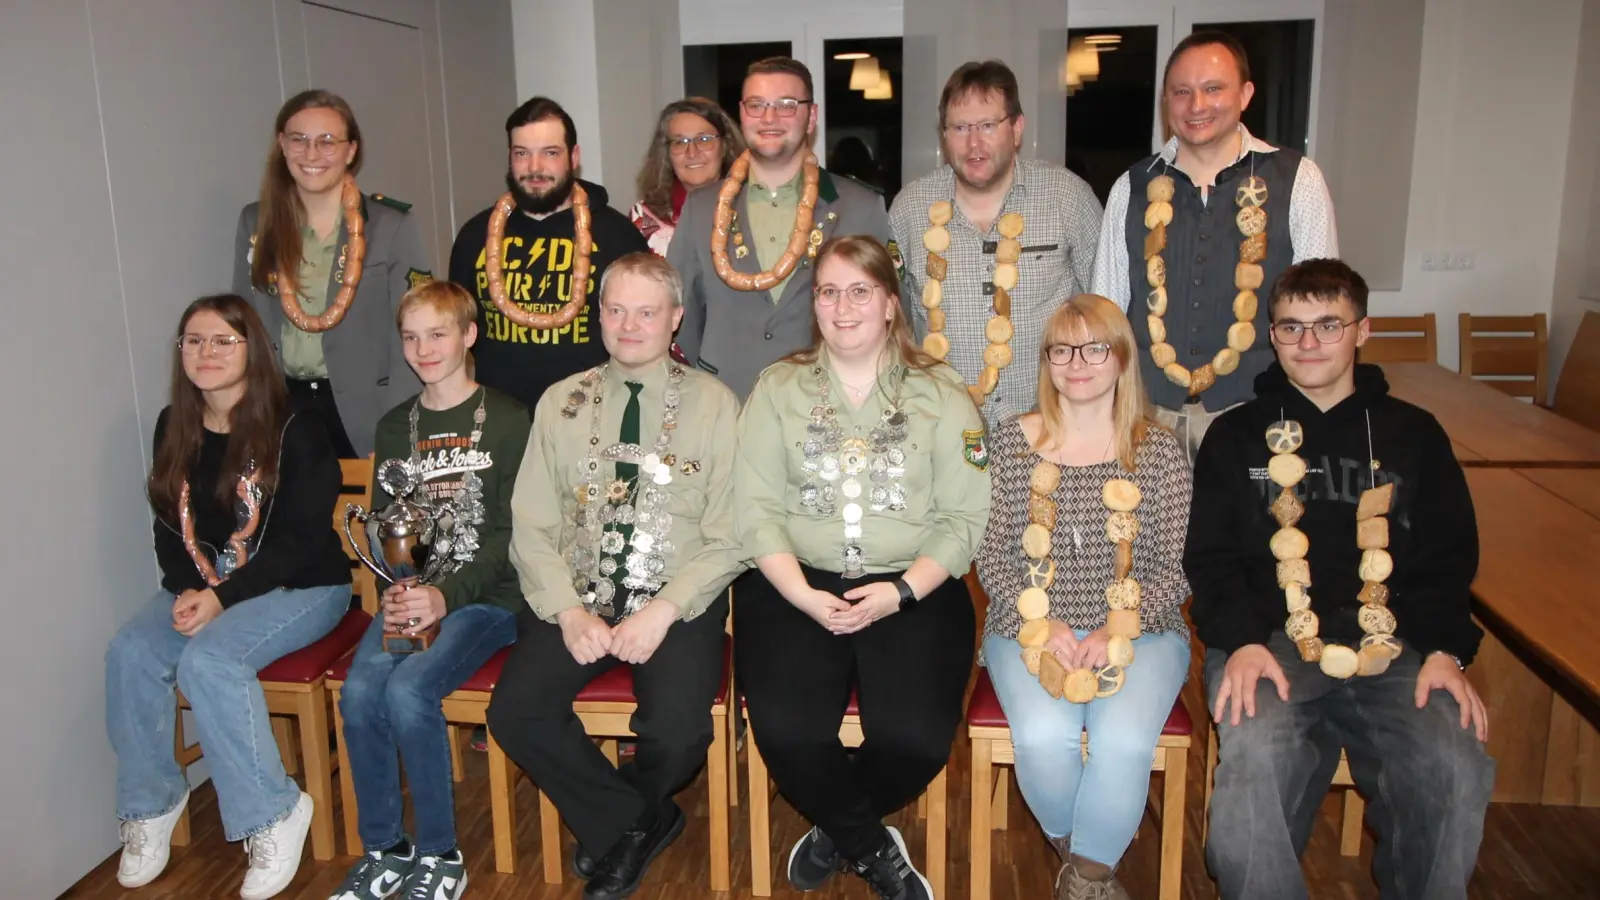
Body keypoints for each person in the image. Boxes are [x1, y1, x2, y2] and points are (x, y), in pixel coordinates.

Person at [1185, 259, 1493, 900]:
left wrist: (1443, 649)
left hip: (1398, 647)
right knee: (1256, 753)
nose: (1309, 343)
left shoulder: (1414, 434)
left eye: (1328, 325)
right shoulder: (1234, 435)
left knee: (1453, 760)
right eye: (1292, 327)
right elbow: (1210, 558)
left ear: (1362, 330)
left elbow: (1447, 552)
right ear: (1271, 335)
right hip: (1270, 644)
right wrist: (1238, 640)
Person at [734, 235, 989, 900]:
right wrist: (803, 595)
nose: (843, 306)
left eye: (860, 290)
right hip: (795, 584)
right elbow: (755, 509)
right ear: (813, 304)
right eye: (828, 291)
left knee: (916, 740)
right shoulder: (776, 389)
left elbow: (963, 519)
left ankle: (836, 829)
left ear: (890, 305)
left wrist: (901, 592)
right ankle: (876, 850)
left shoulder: (941, 393)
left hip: (915, 584)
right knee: (787, 730)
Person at [485, 252, 742, 900]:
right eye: (616, 309)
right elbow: (532, 524)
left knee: (680, 731)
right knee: (516, 712)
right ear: (599, 315)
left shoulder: (714, 405)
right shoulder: (559, 403)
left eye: (647, 311)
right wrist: (567, 610)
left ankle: (628, 815)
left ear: (675, 319)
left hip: (677, 592)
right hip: (579, 589)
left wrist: (665, 609)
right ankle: (634, 823)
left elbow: (733, 532)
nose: (629, 325)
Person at [105, 295, 352, 899]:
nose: (205, 353)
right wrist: (189, 588)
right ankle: (153, 802)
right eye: (193, 340)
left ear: (254, 349)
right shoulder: (175, 424)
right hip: (209, 583)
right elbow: (167, 524)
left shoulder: (297, 421)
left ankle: (273, 812)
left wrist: (223, 598)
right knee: (130, 653)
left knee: (210, 661)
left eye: (222, 341)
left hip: (304, 584)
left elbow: (300, 536)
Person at [973, 295, 1191, 899]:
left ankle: (1084, 877)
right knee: (1046, 737)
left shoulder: (1158, 450)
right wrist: (1044, 626)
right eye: (1062, 349)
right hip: (1028, 624)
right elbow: (992, 554)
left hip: (1144, 630)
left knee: (1121, 741)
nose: (1078, 362)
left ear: (1121, 359)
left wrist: (1113, 631)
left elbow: (1170, 566)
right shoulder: (1010, 445)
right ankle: (1093, 868)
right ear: (1046, 361)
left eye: (1096, 347)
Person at [328, 281, 529, 900]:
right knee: (361, 693)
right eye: (411, 337)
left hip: (492, 597)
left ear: (469, 336)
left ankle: (442, 855)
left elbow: (510, 533)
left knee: (410, 690)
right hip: (419, 594)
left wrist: (446, 597)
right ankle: (386, 849)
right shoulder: (396, 426)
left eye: (437, 333)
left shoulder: (508, 418)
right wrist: (403, 590)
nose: (423, 349)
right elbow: (394, 527)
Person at [1090, 31, 1338, 460]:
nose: (1197, 106)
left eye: (1212, 89)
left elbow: (1321, 313)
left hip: (1258, 414)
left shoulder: (1298, 179)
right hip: (1148, 416)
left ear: (1245, 94)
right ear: (1165, 102)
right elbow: (1105, 311)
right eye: (1181, 92)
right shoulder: (1130, 187)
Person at [670, 57, 899, 400]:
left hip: (828, 405)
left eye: (786, 105)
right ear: (742, 114)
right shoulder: (702, 209)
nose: (769, 118)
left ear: (812, 117)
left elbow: (890, 316)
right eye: (757, 105)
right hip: (726, 403)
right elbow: (678, 313)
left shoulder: (861, 207)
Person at [891, 60, 1103, 421]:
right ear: (943, 135)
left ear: (1017, 128)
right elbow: (896, 324)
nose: (974, 143)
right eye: (959, 128)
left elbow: (1104, 312)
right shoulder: (909, 210)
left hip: (1052, 426)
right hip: (944, 429)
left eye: (988, 125)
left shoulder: (1067, 198)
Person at [233, 89, 434, 458]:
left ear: (351, 150)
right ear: (282, 144)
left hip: (367, 413)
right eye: (299, 140)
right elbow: (245, 325)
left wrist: (395, 429)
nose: (311, 154)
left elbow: (416, 333)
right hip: (284, 410)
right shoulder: (255, 222)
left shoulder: (391, 225)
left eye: (327, 141)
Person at [449, 96, 650, 413]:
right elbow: (454, 337)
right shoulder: (474, 237)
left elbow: (647, 339)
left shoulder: (618, 237)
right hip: (501, 429)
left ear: (574, 157)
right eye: (521, 154)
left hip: (595, 421)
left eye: (550, 153)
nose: (534, 167)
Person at [630, 97, 745, 257]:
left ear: (725, 146)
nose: (692, 153)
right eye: (680, 142)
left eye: (704, 140)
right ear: (667, 153)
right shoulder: (644, 218)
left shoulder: (752, 208)